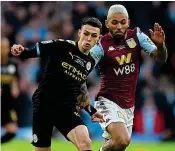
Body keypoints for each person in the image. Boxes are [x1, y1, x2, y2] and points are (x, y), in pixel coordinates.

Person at [11, 17, 104, 151]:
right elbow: (38, 50)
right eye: (86, 33)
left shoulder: (89, 62)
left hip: (67, 108)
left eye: (93, 35)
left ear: (98, 38)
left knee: (85, 142)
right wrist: (22, 51)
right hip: (45, 103)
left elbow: (78, 90)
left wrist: (92, 111)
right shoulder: (63, 46)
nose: (89, 38)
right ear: (79, 33)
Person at [89, 4, 168, 151]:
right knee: (123, 140)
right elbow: (85, 66)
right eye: (114, 22)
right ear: (107, 24)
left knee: (116, 147)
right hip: (107, 101)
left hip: (128, 105)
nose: (119, 26)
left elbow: (161, 57)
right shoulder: (101, 46)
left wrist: (161, 46)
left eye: (123, 22)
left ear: (128, 22)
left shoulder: (137, 36)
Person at [1, 37, 20, 143]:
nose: (3, 50)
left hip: (7, 103)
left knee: (12, 131)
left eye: (5, 47)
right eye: (1, 47)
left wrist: (15, 88)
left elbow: (15, 81)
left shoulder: (12, 64)